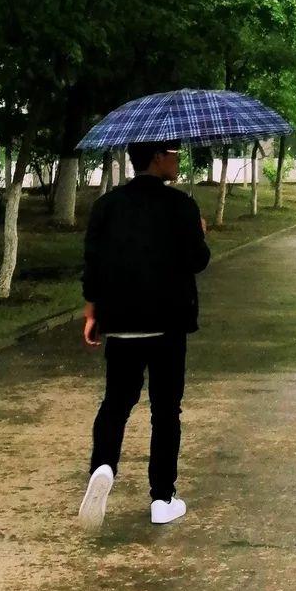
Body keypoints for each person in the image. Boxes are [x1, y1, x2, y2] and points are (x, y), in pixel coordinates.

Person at [77, 139, 211, 533]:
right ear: (157, 157)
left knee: (116, 402)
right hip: (168, 323)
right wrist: (198, 233)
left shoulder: (107, 205)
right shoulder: (181, 205)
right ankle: (162, 498)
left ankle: (103, 465)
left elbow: (93, 261)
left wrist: (92, 310)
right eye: (173, 153)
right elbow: (197, 261)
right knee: (166, 409)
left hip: (120, 322)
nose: (178, 159)